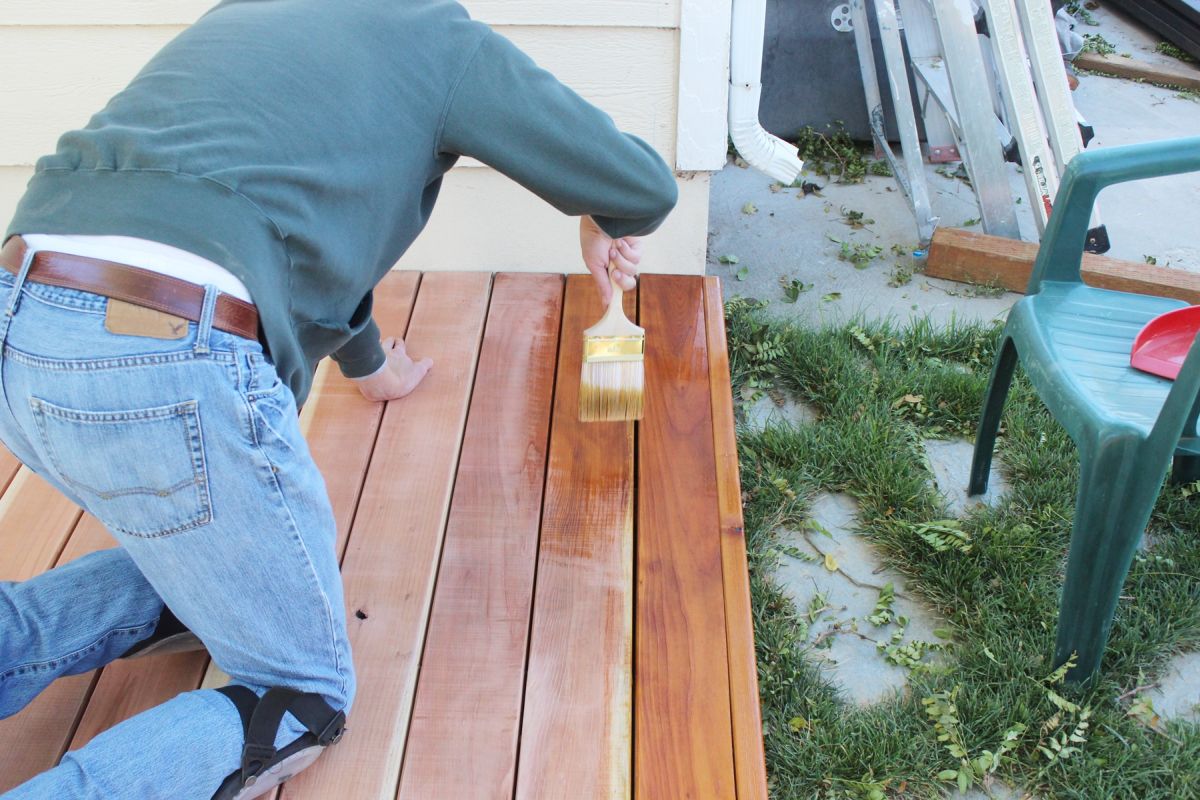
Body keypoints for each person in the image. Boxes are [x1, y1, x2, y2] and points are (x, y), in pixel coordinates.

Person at [0, 0, 677, 797]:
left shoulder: (254, 14)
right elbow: (639, 185)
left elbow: (268, 214)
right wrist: (601, 221)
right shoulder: (435, 36)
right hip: (164, 355)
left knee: (217, 553)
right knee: (300, 697)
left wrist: (368, 365)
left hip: (22, 320)